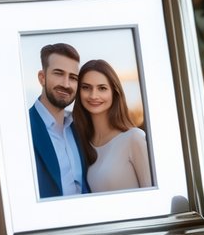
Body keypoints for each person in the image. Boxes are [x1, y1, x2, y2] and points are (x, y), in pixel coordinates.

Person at [73, 59, 153, 192]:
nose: (93, 95)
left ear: (114, 92)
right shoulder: (81, 143)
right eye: (86, 87)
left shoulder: (134, 137)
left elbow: (153, 196)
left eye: (102, 88)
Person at [29, 42, 89, 199]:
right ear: (42, 77)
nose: (66, 84)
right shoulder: (23, 128)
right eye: (58, 73)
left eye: (73, 77)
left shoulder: (79, 128)